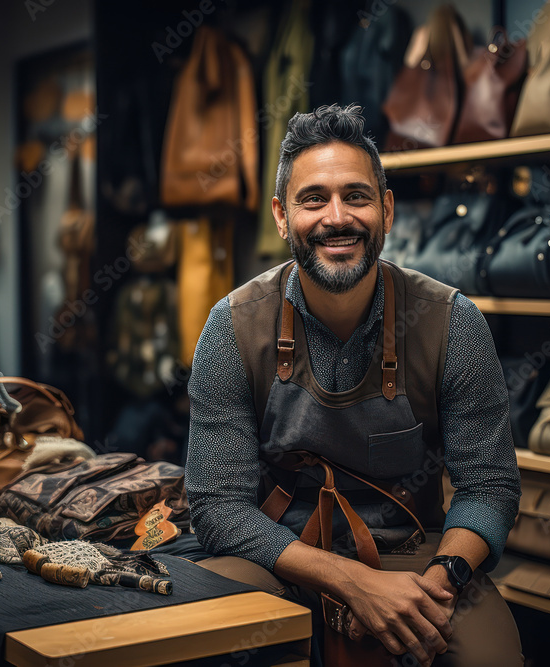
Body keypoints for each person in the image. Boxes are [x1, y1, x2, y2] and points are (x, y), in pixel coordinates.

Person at [184, 104, 523, 667]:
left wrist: (441, 580)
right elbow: (218, 506)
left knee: (492, 657)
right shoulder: (232, 325)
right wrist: (348, 582)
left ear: (386, 209)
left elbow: (489, 485)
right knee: (220, 637)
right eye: (313, 199)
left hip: (413, 557)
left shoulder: (451, 321)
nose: (336, 217)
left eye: (357, 196)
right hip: (277, 558)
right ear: (281, 216)